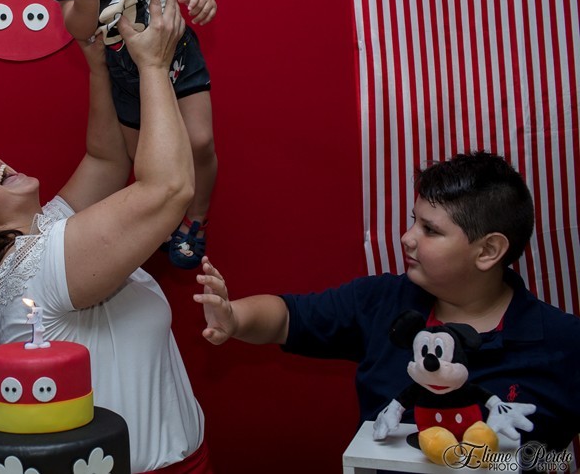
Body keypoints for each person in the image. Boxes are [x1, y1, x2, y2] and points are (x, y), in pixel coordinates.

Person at [0, 0, 211, 473]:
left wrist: (98, 67)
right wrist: (153, 65)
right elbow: (169, 189)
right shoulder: (30, 272)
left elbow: (107, 159)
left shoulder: (45, 229)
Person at [195, 151, 580, 460]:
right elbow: (287, 318)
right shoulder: (380, 301)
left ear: (488, 251)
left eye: (430, 230)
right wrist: (235, 318)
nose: (407, 238)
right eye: (414, 221)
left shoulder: (565, 344)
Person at [41, 0, 218, 269]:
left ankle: (196, 216)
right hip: (125, 70)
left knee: (199, 141)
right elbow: (79, 29)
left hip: (176, 55)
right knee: (146, 161)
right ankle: (165, 221)